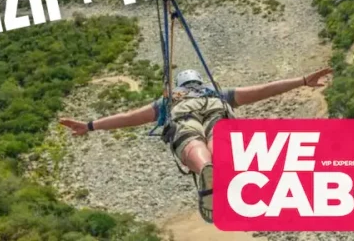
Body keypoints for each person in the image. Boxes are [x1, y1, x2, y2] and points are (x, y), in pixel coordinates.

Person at [60, 66, 332, 223]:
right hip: (217, 108)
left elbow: (129, 118)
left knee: (189, 139)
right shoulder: (218, 92)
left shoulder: (169, 101)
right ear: (199, 82)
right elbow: (263, 89)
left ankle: (205, 167)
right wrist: (302, 81)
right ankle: (216, 162)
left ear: (180, 84)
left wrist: (91, 125)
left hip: (183, 113)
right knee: (219, 134)